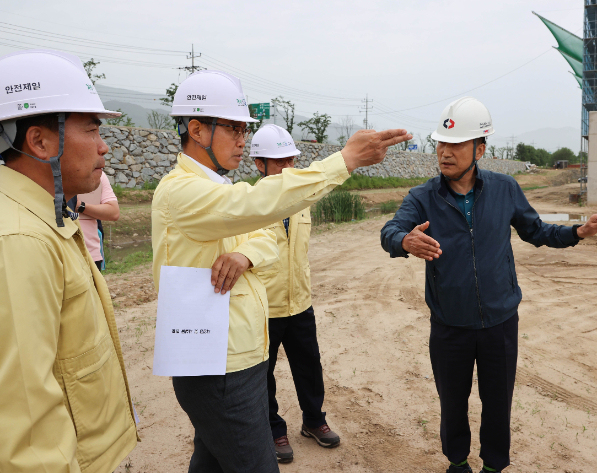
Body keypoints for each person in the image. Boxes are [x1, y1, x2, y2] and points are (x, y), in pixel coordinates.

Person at [152, 69, 411, 473]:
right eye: (235, 129)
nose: (242, 139)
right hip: (217, 361)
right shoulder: (183, 191)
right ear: (197, 130)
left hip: (232, 354)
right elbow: (257, 206)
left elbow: (260, 232)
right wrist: (343, 161)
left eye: (245, 130)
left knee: (212, 460)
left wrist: (246, 254)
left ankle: (312, 419)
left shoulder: (214, 187)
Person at [380, 97, 597, 473]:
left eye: (456, 145)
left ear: (480, 149)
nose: (445, 153)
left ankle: (494, 467)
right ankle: (457, 463)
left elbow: (537, 231)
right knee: (452, 402)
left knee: (497, 402)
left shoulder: (505, 189)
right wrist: (403, 241)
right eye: (441, 144)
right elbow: (390, 230)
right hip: (450, 326)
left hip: (501, 324)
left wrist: (579, 231)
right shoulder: (423, 197)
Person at [0, 50, 138, 472]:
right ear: (40, 141)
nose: (104, 146)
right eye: (92, 129)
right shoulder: (19, 240)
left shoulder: (42, 216)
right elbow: (29, 432)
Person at [249, 124, 338, 463]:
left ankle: (314, 421)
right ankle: (274, 429)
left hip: (300, 302)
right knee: (263, 373)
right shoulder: (250, 203)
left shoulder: (302, 201)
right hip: (264, 307)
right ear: (260, 165)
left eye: (291, 161)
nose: (288, 169)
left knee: (309, 366)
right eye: (279, 162)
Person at [68, 170, 120, 271]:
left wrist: (80, 206)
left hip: (91, 256)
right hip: (61, 255)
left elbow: (114, 212)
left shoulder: (98, 174)